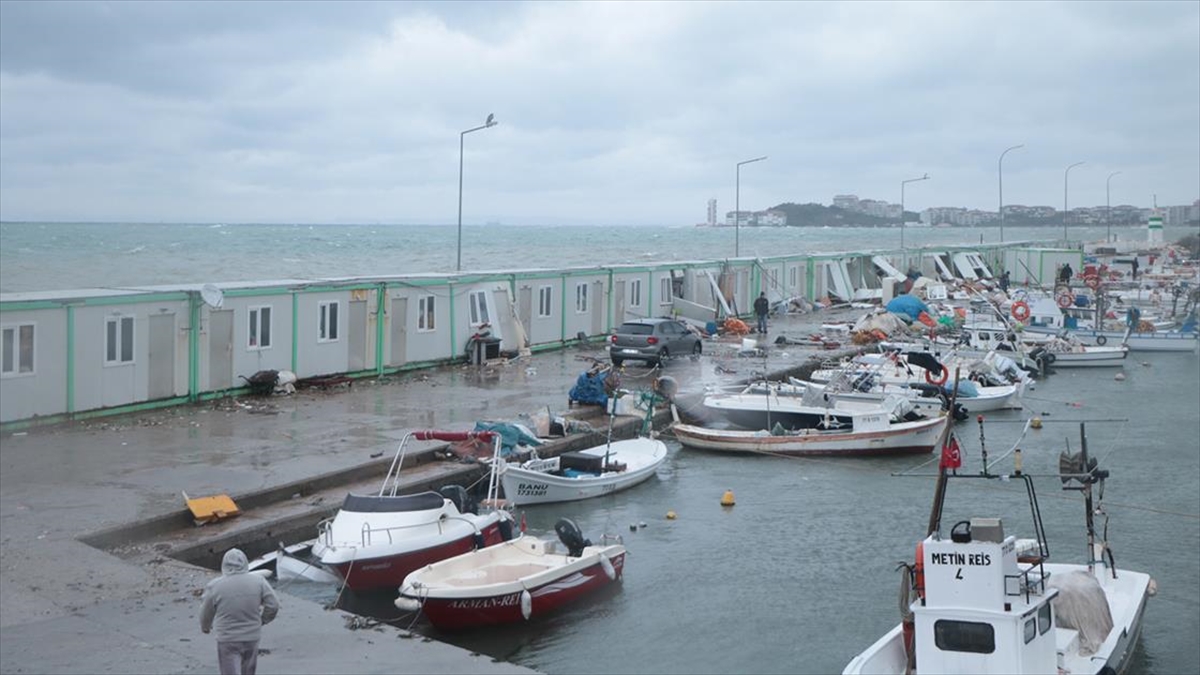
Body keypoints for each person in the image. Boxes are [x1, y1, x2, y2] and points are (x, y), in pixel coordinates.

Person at [200, 548, 280, 675]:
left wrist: (205, 627)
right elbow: (273, 605)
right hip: (251, 636)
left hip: (227, 638)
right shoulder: (259, 581)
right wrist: (262, 620)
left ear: (224, 565)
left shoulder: (215, 586)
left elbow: (206, 610)